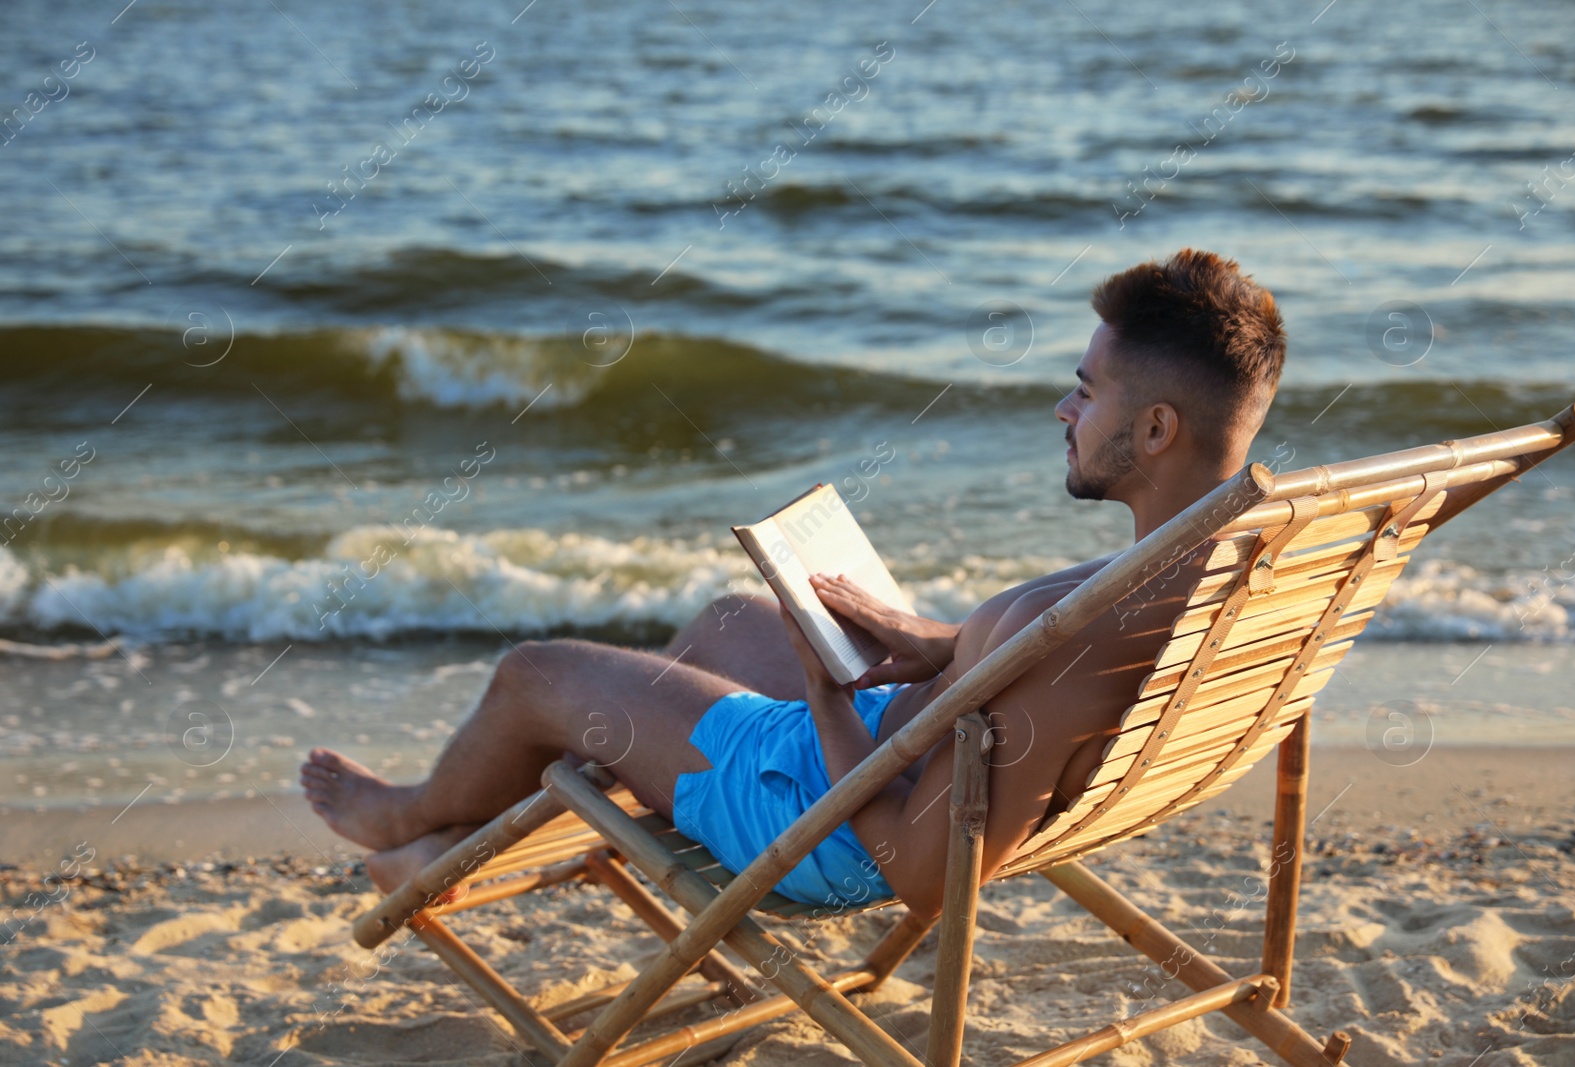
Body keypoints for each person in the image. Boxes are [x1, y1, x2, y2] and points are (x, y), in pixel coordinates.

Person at [301, 248, 1287, 920]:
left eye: (1088, 387)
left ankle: (410, 818)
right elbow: (1037, 681)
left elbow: (924, 877)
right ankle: (462, 850)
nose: (1061, 407)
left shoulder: (1091, 635)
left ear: (1155, 429)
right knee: (733, 619)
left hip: (826, 825)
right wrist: (944, 641)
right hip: (899, 738)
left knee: (534, 672)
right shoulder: (1225, 550)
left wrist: (825, 705)